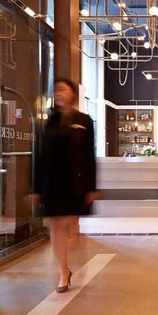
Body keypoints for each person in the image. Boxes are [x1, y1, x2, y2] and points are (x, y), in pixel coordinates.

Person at [30, 77, 98, 292]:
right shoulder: (50, 121)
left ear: (72, 94)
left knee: (68, 222)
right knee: (56, 225)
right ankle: (63, 272)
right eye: (56, 90)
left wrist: (92, 187)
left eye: (62, 89)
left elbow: (89, 155)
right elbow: (41, 155)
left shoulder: (84, 120)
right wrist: (36, 188)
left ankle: (66, 266)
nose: (58, 93)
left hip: (75, 181)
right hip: (52, 181)